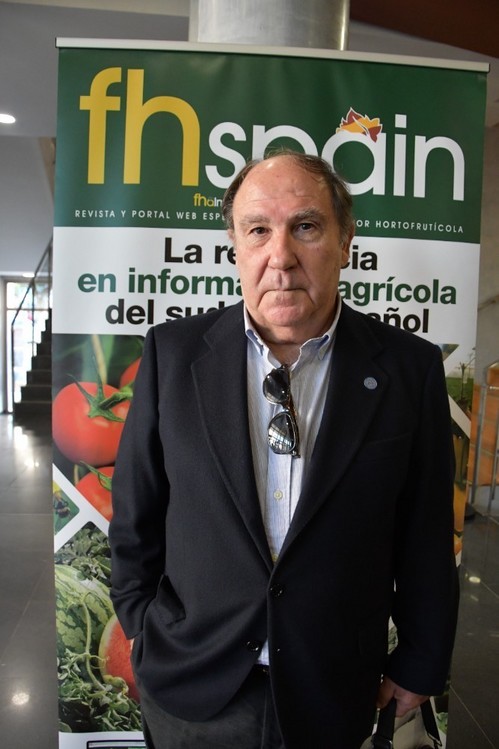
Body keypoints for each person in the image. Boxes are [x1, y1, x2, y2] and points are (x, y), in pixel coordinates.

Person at [109, 150, 459, 749]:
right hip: (193, 686)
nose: (281, 257)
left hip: (334, 687)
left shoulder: (409, 369)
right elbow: (136, 515)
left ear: (346, 240)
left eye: (306, 227)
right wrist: (143, 624)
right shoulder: (173, 355)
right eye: (258, 231)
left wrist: (421, 660)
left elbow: (425, 535)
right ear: (235, 246)